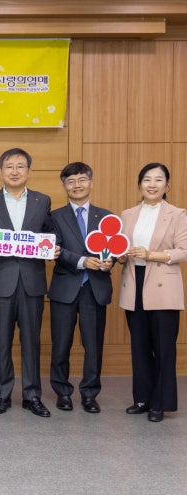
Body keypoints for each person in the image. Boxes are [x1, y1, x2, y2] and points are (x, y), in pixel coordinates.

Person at [0, 147, 56, 418]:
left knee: (32, 341)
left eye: (20, 166)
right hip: (1, 281)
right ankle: (2, 394)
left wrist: (52, 247)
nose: (15, 171)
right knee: (1, 340)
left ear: (29, 171)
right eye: (9, 166)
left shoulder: (42, 201)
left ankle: (32, 395)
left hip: (32, 281)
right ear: (1, 171)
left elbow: (50, 234)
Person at [119, 162, 187, 422]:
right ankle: (142, 399)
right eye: (147, 179)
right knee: (139, 346)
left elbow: (183, 250)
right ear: (139, 184)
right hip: (133, 282)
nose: (152, 184)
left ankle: (160, 403)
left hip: (162, 285)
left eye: (158, 180)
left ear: (167, 185)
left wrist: (151, 255)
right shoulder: (127, 214)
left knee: (163, 347)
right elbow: (120, 247)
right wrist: (119, 255)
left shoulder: (177, 214)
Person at [48, 162, 113, 414]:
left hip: (95, 289)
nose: (77, 185)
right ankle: (62, 392)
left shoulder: (106, 217)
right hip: (64, 288)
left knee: (93, 346)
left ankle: (89, 394)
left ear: (91, 182)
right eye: (71, 181)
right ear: (64, 186)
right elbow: (55, 248)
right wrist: (82, 260)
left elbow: (114, 248)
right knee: (61, 345)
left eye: (82, 179)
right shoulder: (53, 217)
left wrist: (110, 261)